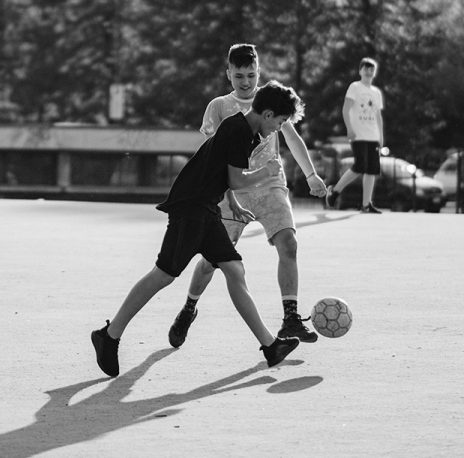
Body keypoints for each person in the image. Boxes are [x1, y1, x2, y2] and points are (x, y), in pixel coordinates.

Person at [90, 81, 304, 377]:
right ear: (267, 114)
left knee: (234, 268)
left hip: (207, 208)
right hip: (191, 207)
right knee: (163, 274)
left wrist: (233, 203)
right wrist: (265, 173)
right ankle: (109, 335)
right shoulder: (238, 130)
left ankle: (270, 346)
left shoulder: (246, 132)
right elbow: (239, 179)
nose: (279, 128)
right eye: (280, 122)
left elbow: (222, 172)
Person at [167, 44, 327, 348]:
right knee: (211, 262)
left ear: (259, 72)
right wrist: (229, 199)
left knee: (289, 244)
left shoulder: (269, 101)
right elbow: (213, 158)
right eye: (239, 75)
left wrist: (311, 175)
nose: (245, 81)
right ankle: (189, 308)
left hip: (269, 186)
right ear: (228, 73)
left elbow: (292, 138)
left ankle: (290, 318)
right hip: (231, 190)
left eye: (251, 74)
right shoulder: (218, 107)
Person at [325, 57, 385, 214]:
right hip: (359, 134)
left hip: (373, 135)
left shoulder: (376, 92)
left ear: (375, 72)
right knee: (360, 166)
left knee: (372, 170)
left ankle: (366, 204)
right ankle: (335, 191)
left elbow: (378, 115)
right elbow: (345, 109)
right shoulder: (355, 87)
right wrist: (349, 128)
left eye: (371, 69)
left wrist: (381, 135)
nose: (368, 71)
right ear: (360, 71)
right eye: (365, 68)